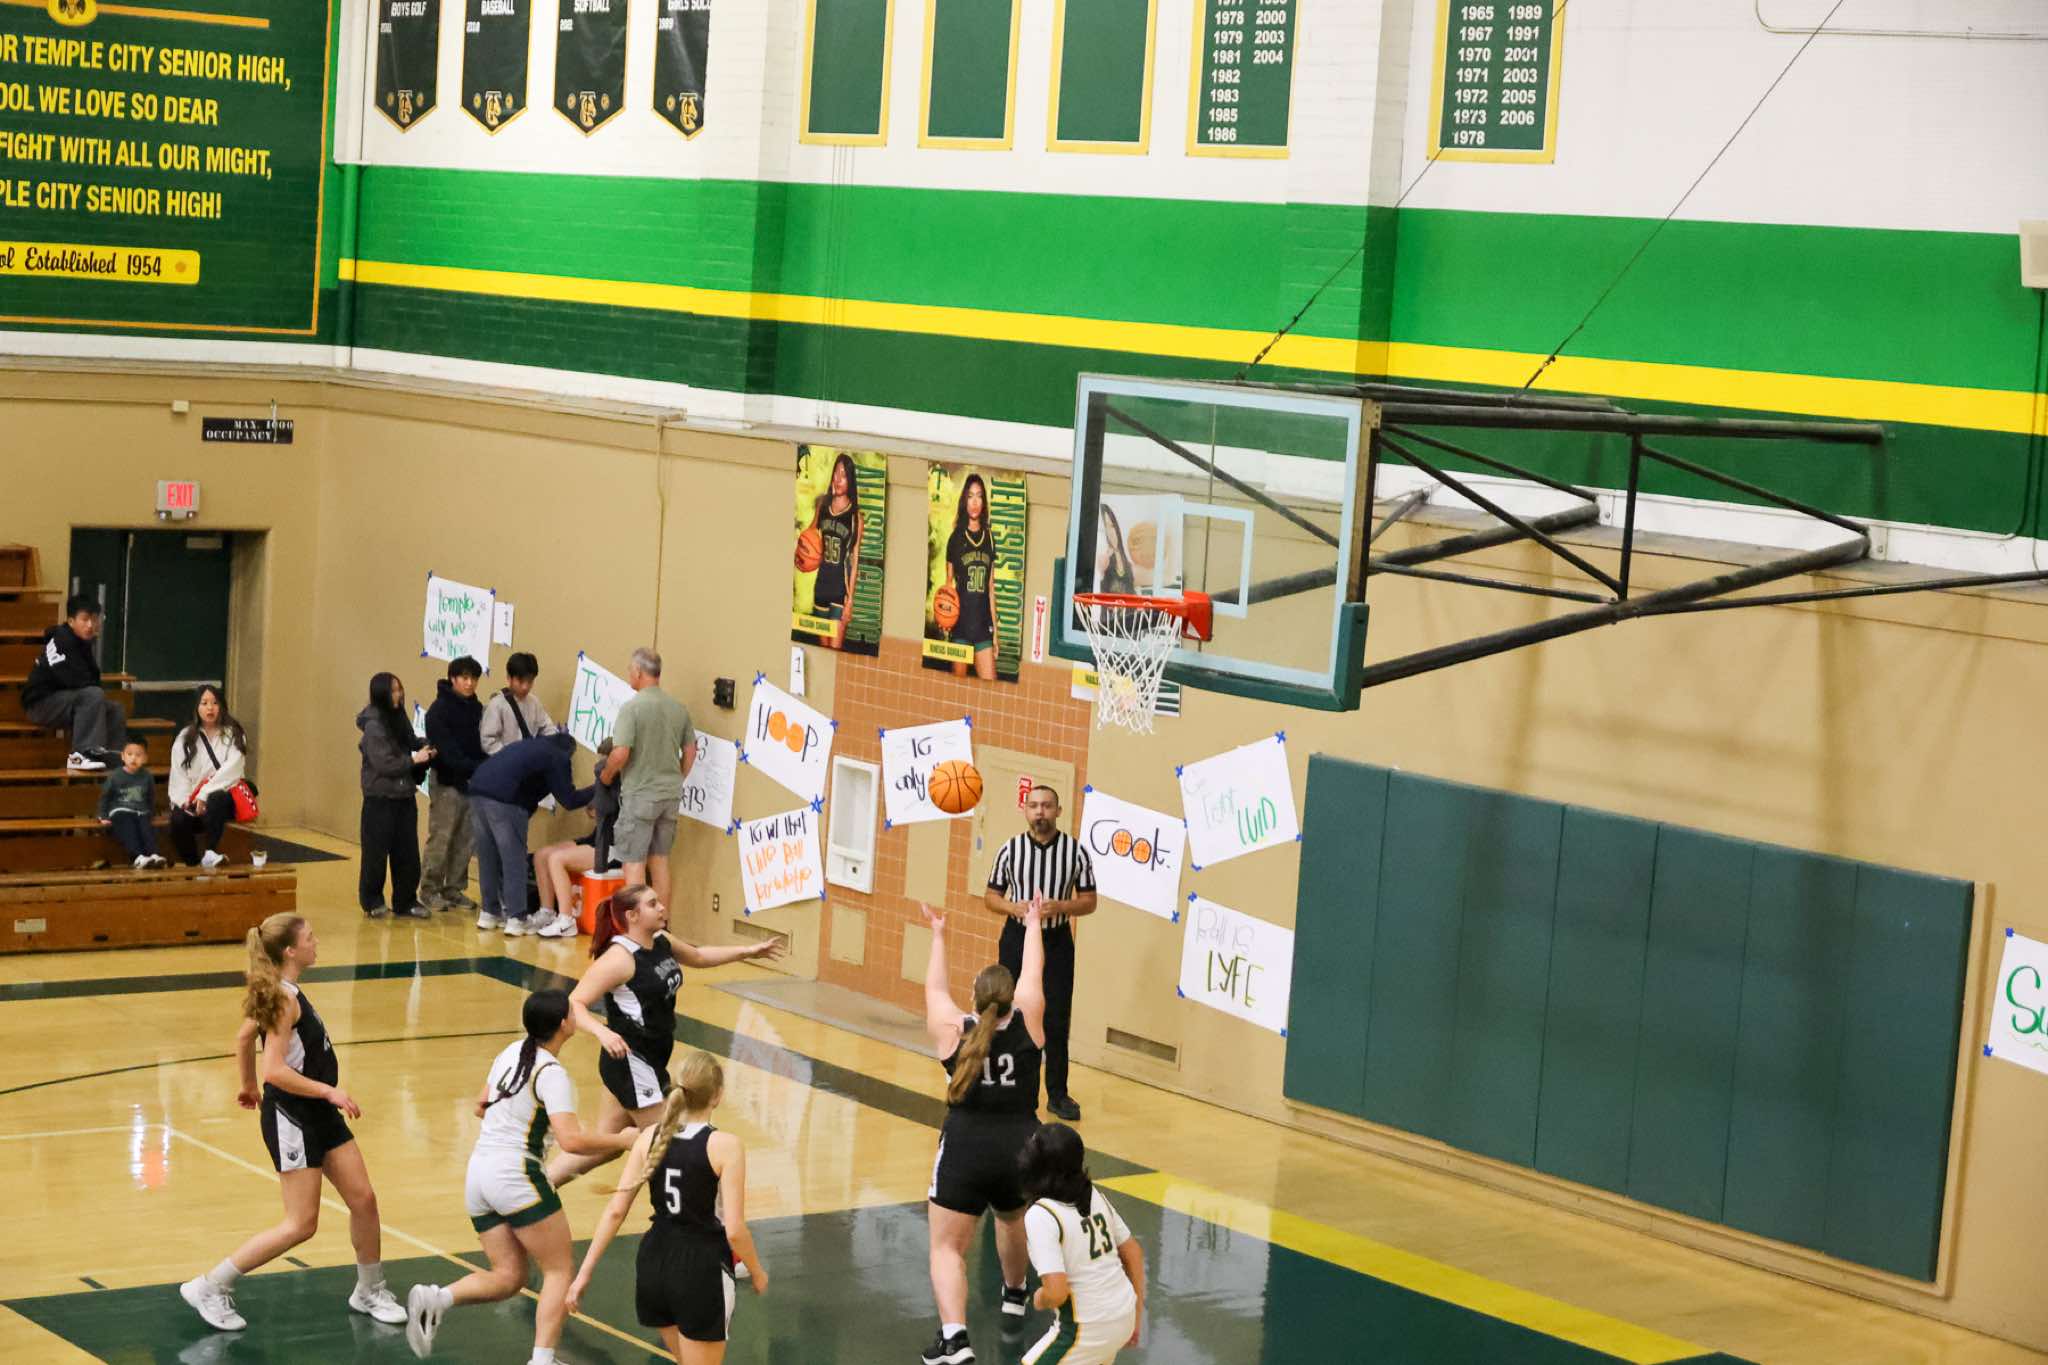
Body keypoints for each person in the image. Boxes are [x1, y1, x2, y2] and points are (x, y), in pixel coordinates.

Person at [179, 913, 407, 1333]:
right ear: (290, 951)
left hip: (316, 1111)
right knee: (301, 1224)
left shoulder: (282, 991)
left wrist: (247, 1085)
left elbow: (244, 1038)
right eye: (310, 938)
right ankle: (210, 1286)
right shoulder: (285, 1000)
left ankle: (370, 1290)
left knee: (363, 1199)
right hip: (293, 1115)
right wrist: (327, 1091)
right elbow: (276, 1070)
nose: (316, 942)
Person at [403, 989, 641, 1365]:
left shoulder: (511, 1052)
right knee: (559, 1270)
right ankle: (542, 1360)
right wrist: (622, 1140)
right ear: (563, 1024)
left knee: (510, 1276)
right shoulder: (551, 1073)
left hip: (479, 1174)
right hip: (515, 1175)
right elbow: (572, 1141)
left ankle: (438, 1299)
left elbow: (481, 1105)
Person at [545, 885, 782, 1189]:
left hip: (651, 1060)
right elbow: (574, 1004)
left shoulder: (661, 941)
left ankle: (539, 1186)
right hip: (631, 1062)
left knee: (610, 1144)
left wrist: (747, 952)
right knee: (673, 1144)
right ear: (632, 916)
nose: (661, 907)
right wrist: (603, 1033)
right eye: (652, 903)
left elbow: (698, 956)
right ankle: (685, 1210)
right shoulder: (620, 959)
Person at [567, 1051, 769, 1364]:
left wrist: (583, 1274)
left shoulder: (649, 1137)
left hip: (654, 1264)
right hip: (699, 1268)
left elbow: (615, 1211)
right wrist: (757, 1271)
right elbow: (735, 1230)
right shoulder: (725, 1146)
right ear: (717, 1095)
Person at [919, 899, 1047, 1365]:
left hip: (965, 1148)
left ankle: (955, 1339)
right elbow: (1033, 970)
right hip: (1021, 1147)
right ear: (1011, 998)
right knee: (1011, 1219)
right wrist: (1033, 922)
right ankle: (1014, 1294)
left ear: (974, 998)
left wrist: (938, 935)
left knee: (946, 1247)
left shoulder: (953, 1029)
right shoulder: (1030, 1018)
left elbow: (934, 989)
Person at [985, 785, 1096, 1122]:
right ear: (1025, 810)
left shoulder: (1075, 852)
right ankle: (1006, 1085)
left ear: (1058, 811)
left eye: (1047, 806)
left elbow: (1090, 901)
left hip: (1057, 940)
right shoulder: (1010, 849)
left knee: (1056, 1017)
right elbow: (990, 896)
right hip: (1017, 937)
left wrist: (1061, 906)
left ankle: (1057, 1095)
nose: (1040, 812)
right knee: (1006, 1010)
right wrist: (1012, 907)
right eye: (1034, 806)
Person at [1018, 1123, 1145, 1365]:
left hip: (1085, 1329)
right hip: (1123, 1313)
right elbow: (1133, 1253)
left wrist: (1039, 1298)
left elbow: (1056, 1292)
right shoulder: (1094, 1195)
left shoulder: (1041, 1215)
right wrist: (1135, 1318)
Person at [468, 731, 593, 938]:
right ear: (569, 751)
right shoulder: (558, 755)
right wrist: (598, 787)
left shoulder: (530, 746)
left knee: (488, 857)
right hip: (505, 800)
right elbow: (569, 800)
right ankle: (517, 918)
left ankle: (489, 913)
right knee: (514, 859)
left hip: (476, 791)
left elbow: (530, 788)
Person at [601, 647, 695, 909]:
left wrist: (606, 776)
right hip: (670, 796)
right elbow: (690, 751)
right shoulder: (679, 709)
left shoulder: (632, 709)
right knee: (660, 861)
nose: (629, 674)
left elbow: (620, 753)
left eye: (630, 670)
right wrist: (677, 778)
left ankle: (640, 927)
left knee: (633, 864)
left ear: (639, 672)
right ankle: (661, 925)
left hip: (640, 796)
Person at [357, 673, 435, 920]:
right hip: (380, 797)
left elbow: (409, 740)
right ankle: (372, 900)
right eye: (393, 690)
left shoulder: (399, 716)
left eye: (400, 689)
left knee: (407, 852)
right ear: (381, 693)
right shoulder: (373, 726)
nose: (398, 694)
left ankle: (406, 900)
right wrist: (414, 760)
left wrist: (425, 745)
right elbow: (384, 764)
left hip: (404, 795)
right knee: (375, 854)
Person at [21, 593, 126, 770]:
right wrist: (93, 689)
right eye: (85, 619)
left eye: (94, 619)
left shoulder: (81, 642)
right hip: (40, 705)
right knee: (93, 696)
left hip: (64, 700)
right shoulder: (63, 640)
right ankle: (81, 754)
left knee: (115, 709)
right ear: (71, 621)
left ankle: (111, 757)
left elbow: (90, 680)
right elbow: (81, 682)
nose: (90, 625)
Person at [532, 738, 623, 932]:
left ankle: (566, 920)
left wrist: (600, 807)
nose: (601, 768)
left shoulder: (626, 787)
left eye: (604, 762)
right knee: (541, 855)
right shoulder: (604, 782)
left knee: (557, 859)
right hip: (596, 838)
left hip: (613, 848)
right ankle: (547, 912)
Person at [422, 656, 486, 912]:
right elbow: (448, 753)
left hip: (472, 783)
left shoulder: (477, 709)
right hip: (447, 781)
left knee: (465, 839)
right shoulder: (438, 711)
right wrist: (476, 767)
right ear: (453, 679)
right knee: (442, 836)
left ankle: (454, 888)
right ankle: (429, 889)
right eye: (464, 678)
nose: (470, 683)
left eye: (474, 679)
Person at [169, 683, 248, 869]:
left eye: (214, 703)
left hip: (225, 798)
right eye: (204, 703)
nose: (210, 708)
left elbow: (232, 770)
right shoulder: (185, 737)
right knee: (178, 820)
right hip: (194, 802)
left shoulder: (234, 733)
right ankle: (193, 865)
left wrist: (204, 794)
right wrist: (187, 802)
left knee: (216, 798)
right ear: (197, 707)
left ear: (222, 706)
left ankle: (211, 851)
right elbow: (179, 775)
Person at [801, 451, 864, 648]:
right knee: (823, 650)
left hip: (839, 591)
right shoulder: (823, 505)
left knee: (835, 650)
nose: (837, 479)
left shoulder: (855, 517)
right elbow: (809, 534)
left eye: (843, 475)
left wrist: (850, 600)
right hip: (821, 587)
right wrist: (802, 552)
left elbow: (855, 560)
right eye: (836, 473)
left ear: (850, 481)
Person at [942, 473, 999, 681]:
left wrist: (996, 634)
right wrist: (944, 617)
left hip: (983, 627)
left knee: (991, 688)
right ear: (964, 501)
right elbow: (948, 586)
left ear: (984, 502)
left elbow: (991, 589)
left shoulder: (989, 538)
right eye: (970, 496)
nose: (975, 502)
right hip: (961, 627)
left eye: (979, 496)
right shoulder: (955, 539)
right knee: (957, 690)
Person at [98, 737, 167, 869]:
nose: (133, 758)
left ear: (145, 758)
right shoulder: (115, 776)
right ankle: (137, 857)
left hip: (141, 811)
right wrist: (103, 815)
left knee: (147, 829)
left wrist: (151, 812)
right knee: (129, 829)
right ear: (123, 756)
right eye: (129, 754)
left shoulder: (147, 776)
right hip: (120, 811)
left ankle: (154, 854)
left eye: (138, 755)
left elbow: (150, 796)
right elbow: (105, 797)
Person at [481, 652, 558, 756]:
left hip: (528, 759)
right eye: (521, 681)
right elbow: (488, 741)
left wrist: (556, 741)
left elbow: (547, 727)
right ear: (509, 678)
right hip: (506, 760)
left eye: (530, 681)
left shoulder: (534, 702)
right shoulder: (497, 705)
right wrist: (510, 756)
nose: (525, 687)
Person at [1095, 504, 1137, 596]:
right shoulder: (1103, 559)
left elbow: (1131, 589)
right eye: (1105, 527)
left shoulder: (1126, 560)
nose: (1110, 532)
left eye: (1112, 526)